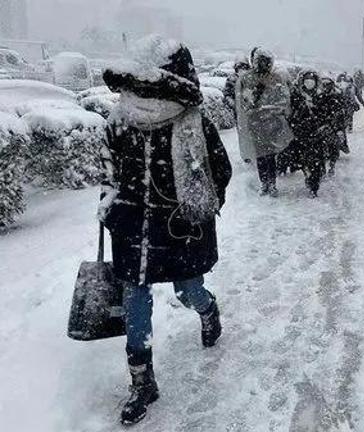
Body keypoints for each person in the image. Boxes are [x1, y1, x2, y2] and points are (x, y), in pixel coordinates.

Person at [99, 35, 232, 425]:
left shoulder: (193, 122)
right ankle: (142, 381)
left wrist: (198, 210)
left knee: (188, 290)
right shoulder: (120, 119)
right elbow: (107, 170)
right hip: (133, 229)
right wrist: (111, 206)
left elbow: (219, 172)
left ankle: (208, 310)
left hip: (179, 229)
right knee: (135, 302)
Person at [235, 48, 293, 197]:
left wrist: (270, 110)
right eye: (259, 61)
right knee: (261, 155)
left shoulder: (276, 78)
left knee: (269, 155)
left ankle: (271, 184)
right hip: (256, 123)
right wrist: (252, 108)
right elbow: (242, 101)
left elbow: (284, 100)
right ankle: (265, 183)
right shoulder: (247, 79)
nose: (262, 64)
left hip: (271, 123)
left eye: (264, 61)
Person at [288, 70, 326, 197]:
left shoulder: (321, 96)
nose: (309, 82)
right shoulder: (296, 95)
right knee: (303, 160)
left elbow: (326, 113)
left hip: (317, 135)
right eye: (307, 79)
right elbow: (291, 114)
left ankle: (313, 185)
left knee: (316, 162)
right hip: (301, 134)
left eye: (312, 80)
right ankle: (308, 176)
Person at [318, 77, 346, 176]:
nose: (325, 87)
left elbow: (341, 113)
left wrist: (339, 128)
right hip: (322, 126)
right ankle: (323, 168)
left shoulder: (337, 96)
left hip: (334, 126)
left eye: (327, 85)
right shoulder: (318, 96)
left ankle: (331, 166)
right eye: (324, 85)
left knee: (334, 147)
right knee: (321, 149)